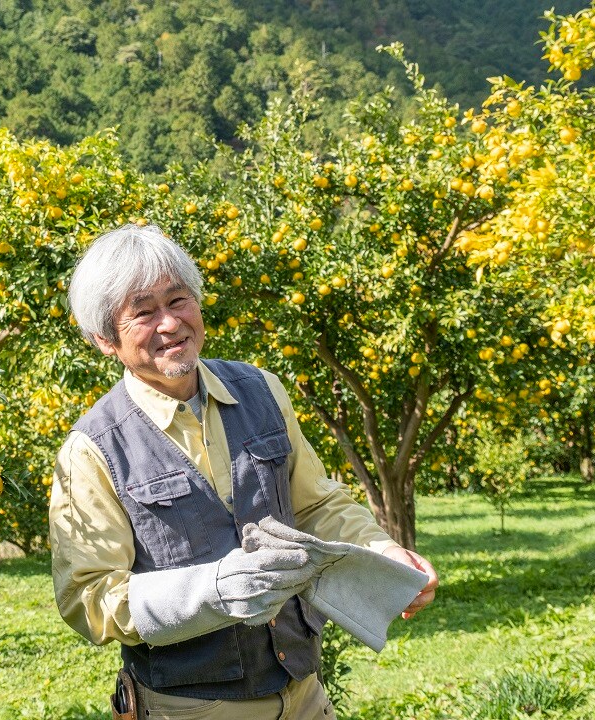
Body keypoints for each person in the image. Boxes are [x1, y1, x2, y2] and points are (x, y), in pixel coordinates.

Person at [49, 224, 438, 719]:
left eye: (179, 300)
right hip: (192, 706)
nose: (170, 324)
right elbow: (88, 597)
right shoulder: (93, 450)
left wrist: (384, 552)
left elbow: (316, 503)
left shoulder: (261, 391)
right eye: (143, 313)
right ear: (105, 340)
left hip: (303, 692)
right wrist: (211, 590)